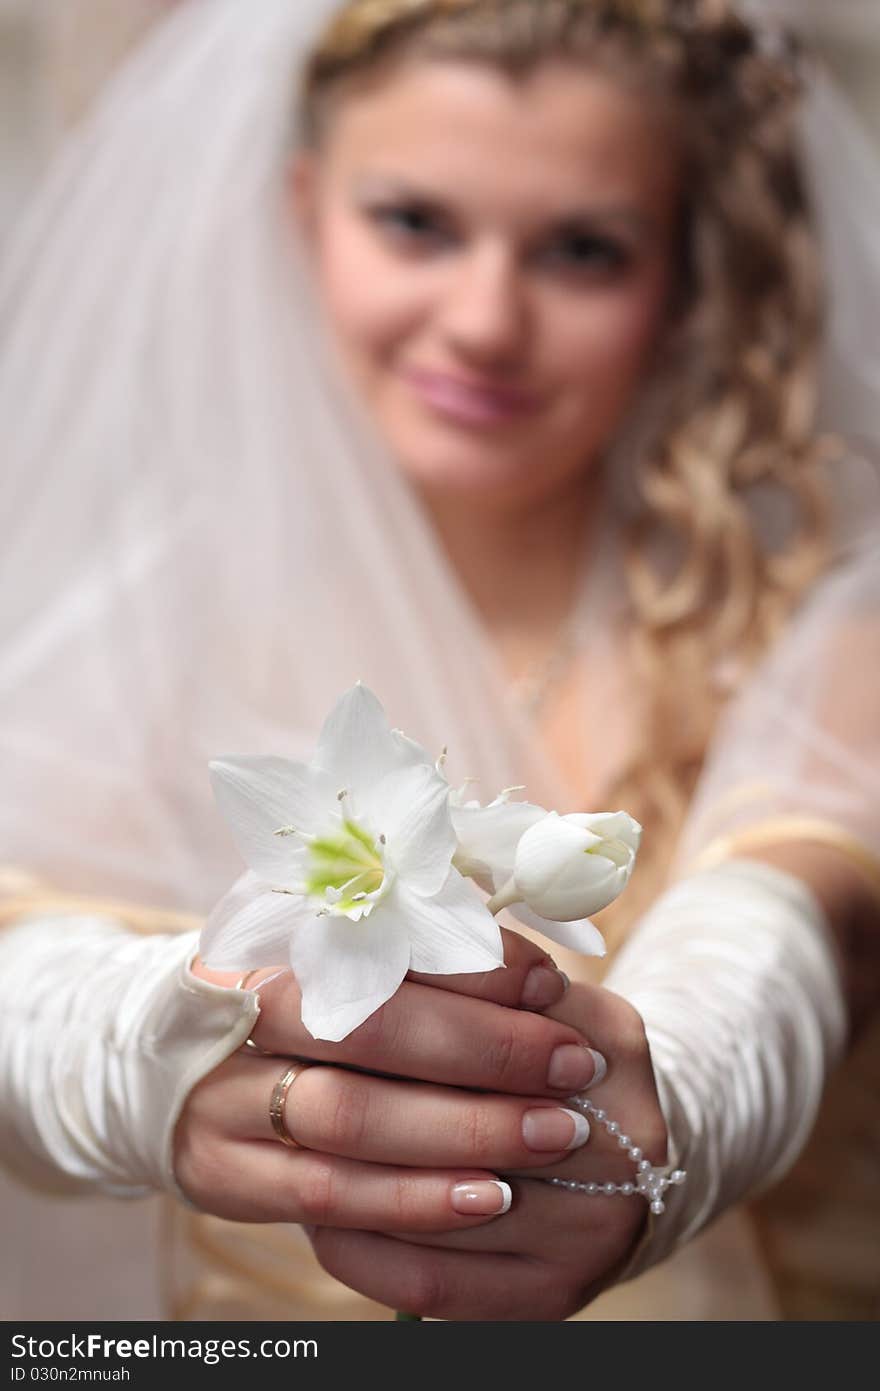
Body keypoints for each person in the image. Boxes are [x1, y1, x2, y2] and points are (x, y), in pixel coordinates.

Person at [1, 0, 878, 1322]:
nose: (482, 321)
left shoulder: (812, 628)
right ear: (304, 212)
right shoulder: (156, 623)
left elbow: (800, 926)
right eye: (414, 223)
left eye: (583, 250)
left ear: (685, 275)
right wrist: (135, 1056)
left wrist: (670, 1111)